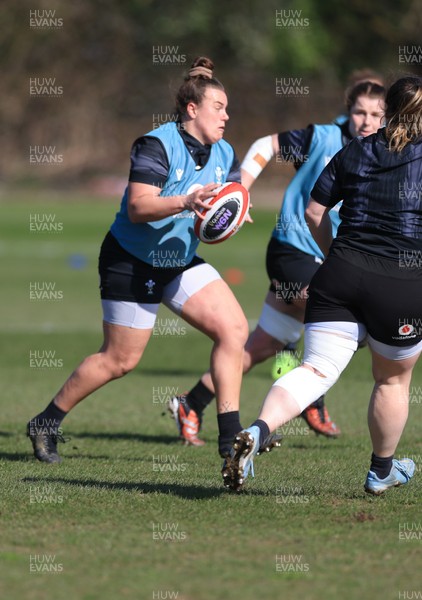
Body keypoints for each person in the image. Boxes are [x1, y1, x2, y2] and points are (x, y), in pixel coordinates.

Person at [27, 56, 253, 463]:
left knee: (234, 329)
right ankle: (45, 422)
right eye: (219, 107)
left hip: (179, 259)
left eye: (227, 108)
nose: (227, 116)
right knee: (119, 360)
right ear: (192, 109)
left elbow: (228, 199)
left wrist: (234, 213)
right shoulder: (156, 144)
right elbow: (138, 207)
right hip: (132, 260)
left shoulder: (224, 151)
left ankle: (230, 436)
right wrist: (186, 199)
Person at [222, 75, 422, 495]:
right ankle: (381, 470)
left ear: (387, 111)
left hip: (339, 274)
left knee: (314, 369)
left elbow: (314, 212)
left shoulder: (355, 149)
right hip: (402, 283)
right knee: (391, 381)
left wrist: (334, 255)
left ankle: (257, 431)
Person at [168, 79, 386, 454]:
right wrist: (241, 189)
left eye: (376, 115)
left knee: (260, 346)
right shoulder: (321, 137)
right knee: (347, 319)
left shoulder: (381, 151)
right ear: (347, 111)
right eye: (359, 112)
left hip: (331, 257)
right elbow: (263, 145)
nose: (366, 121)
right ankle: (311, 398)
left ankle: (192, 402)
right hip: (293, 251)